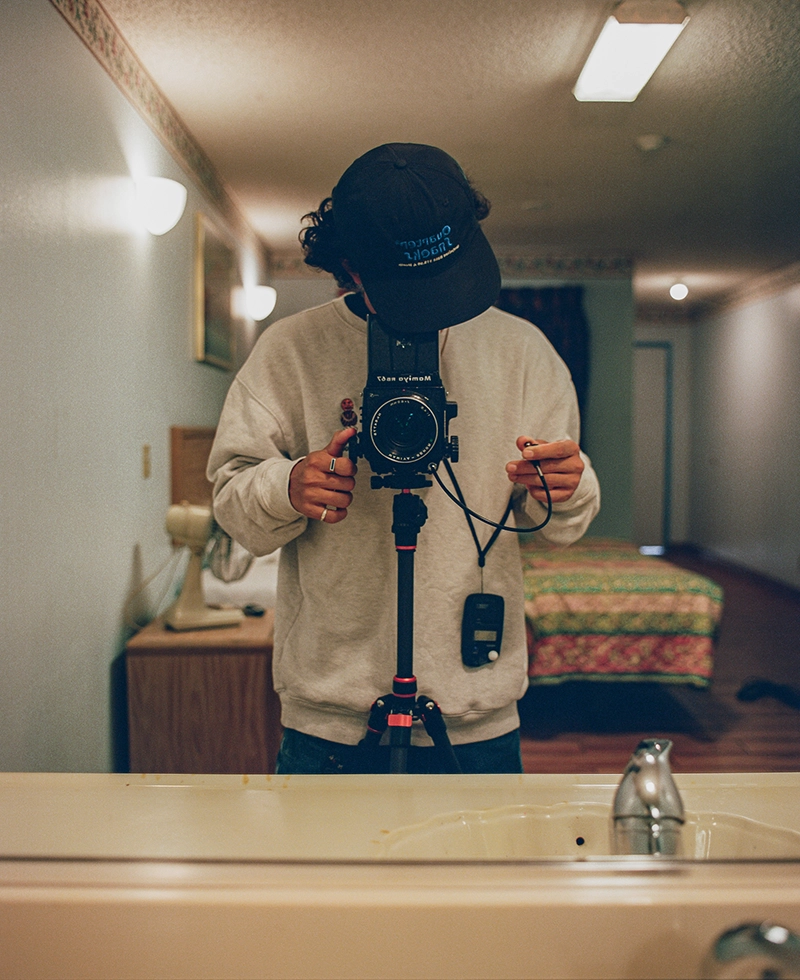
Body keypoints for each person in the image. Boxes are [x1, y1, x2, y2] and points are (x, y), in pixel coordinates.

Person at [207, 143, 600, 774]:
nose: (431, 308)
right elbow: (231, 505)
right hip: (331, 716)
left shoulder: (524, 351)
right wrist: (289, 486)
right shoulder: (289, 351)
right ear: (350, 267)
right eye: (408, 290)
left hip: (477, 708)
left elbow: (563, 524)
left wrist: (563, 485)